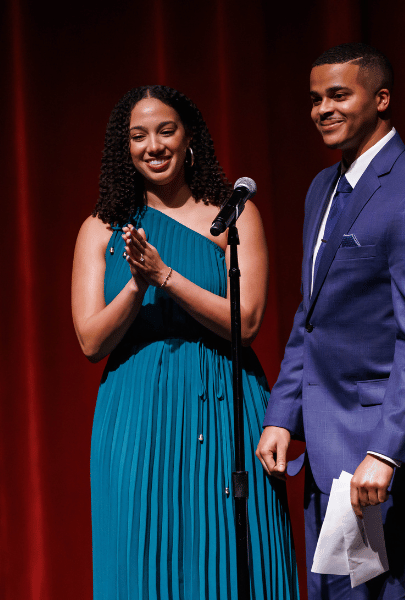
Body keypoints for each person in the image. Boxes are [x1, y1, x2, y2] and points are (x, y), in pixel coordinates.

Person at [256, 44, 405, 599]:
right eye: (314, 99)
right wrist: (283, 414)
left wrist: (385, 452)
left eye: (337, 95)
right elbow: (313, 315)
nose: (322, 109)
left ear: (380, 99)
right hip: (326, 443)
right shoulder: (321, 189)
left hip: (380, 453)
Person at [72, 85, 297, 599]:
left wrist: (166, 274)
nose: (153, 144)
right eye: (138, 135)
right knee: (142, 563)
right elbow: (90, 340)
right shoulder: (100, 230)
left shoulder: (233, 218)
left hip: (224, 410)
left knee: (231, 559)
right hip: (136, 416)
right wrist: (137, 282)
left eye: (166, 130)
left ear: (189, 137)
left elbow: (248, 322)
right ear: (124, 149)